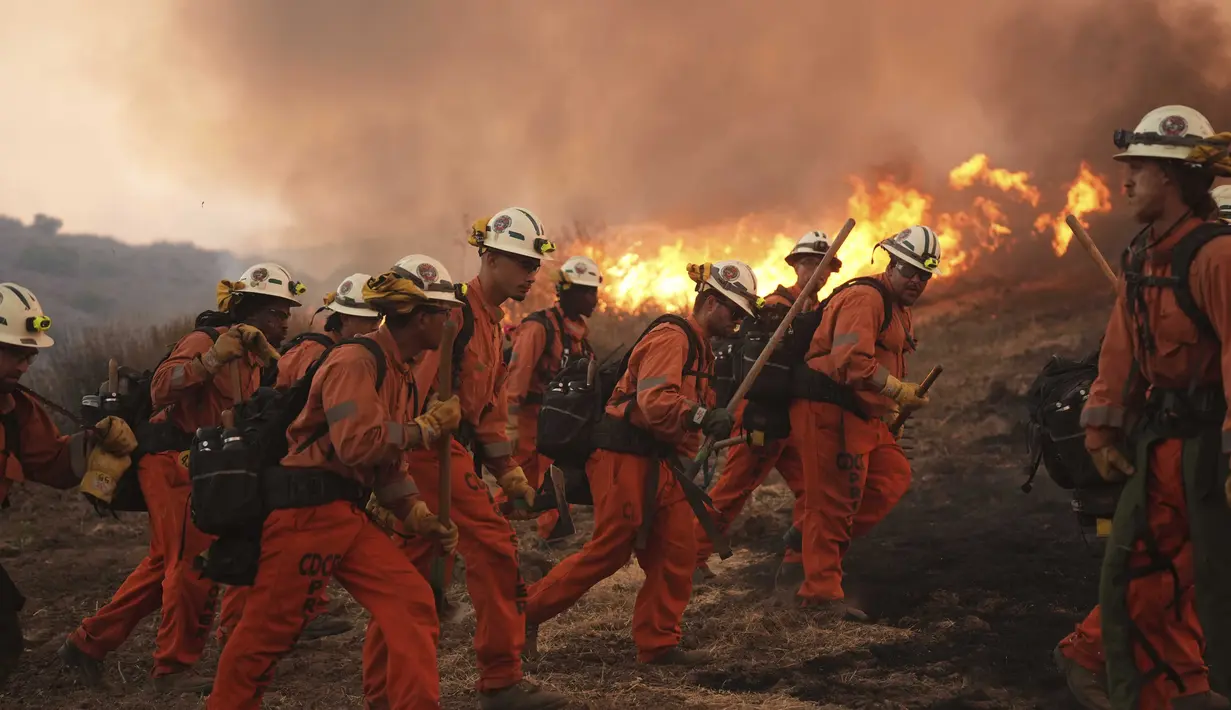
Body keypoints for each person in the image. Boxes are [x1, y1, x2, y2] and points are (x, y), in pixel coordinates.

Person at [207, 266, 461, 709]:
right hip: (307, 513)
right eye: (444, 313)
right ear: (420, 316)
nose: (450, 324)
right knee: (266, 636)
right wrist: (422, 430)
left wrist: (416, 514)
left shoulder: (398, 370)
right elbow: (358, 444)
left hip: (345, 514)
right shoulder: (353, 362)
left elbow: (385, 465)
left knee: (412, 601)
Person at [1054, 105, 1231, 710]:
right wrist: (1102, 427)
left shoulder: (1216, 258)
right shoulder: (1143, 257)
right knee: (1142, 568)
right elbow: (1121, 351)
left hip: (1211, 446)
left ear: (1174, 177)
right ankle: (1166, 689)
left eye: (1139, 168)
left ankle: (1182, 687)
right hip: (1158, 445)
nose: (1124, 181)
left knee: (1199, 578)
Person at [61, 263, 301, 693]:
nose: (283, 320)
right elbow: (160, 388)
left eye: (285, 312)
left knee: (164, 566)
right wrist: (209, 360)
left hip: (207, 463)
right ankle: (172, 670)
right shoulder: (205, 341)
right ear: (248, 310)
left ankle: (86, 644)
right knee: (193, 565)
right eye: (275, 312)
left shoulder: (255, 359)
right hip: (173, 460)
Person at [364, 214, 570, 710]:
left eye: (534, 266)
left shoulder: (494, 326)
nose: (530, 274)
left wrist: (511, 475)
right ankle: (501, 681)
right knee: (496, 551)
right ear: (489, 258)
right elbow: (407, 389)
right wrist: (392, 466)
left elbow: (489, 416)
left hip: (444, 453)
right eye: (520, 263)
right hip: (428, 453)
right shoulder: (453, 316)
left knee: (411, 572)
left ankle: (381, 693)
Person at [524, 260, 759, 666]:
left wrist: (702, 428)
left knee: (676, 551)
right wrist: (702, 417)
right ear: (709, 301)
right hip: (623, 455)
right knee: (609, 552)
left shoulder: (703, 352)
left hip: (659, 462)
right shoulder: (673, 337)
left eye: (742, 315)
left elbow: (683, 413)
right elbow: (654, 401)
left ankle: (658, 644)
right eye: (733, 311)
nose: (737, 321)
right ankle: (522, 615)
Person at [215, 273, 382, 647]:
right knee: (254, 547)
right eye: (368, 320)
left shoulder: (343, 356)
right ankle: (234, 632)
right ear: (344, 319)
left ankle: (298, 614)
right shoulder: (316, 352)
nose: (375, 328)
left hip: (282, 456)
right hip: (275, 458)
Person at [790, 226, 937, 621]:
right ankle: (820, 593)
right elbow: (850, 362)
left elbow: (882, 363)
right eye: (910, 271)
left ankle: (806, 540)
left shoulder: (898, 308)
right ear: (892, 264)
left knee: (892, 477)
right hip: (829, 410)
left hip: (863, 412)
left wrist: (888, 409)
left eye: (924, 275)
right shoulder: (864, 298)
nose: (917, 281)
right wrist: (897, 393)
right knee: (836, 502)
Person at [0, 283, 136, 687]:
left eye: (30, 355)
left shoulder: (15, 408)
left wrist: (94, 444)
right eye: (14, 353)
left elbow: (52, 464)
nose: (25, 365)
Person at [694, 231, 841, 587]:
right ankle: (688, 557)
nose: (817, 273)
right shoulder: (777, 305)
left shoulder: (817, 310)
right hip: (760, 414)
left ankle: (796, 559)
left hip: (790, 417)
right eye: (809, 264)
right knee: (733, 490)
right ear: (795, 266)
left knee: (812, 489)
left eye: (825, 267)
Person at [505, 255, 600, 542]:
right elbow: (517, 377)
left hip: (558, 421)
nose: (595, 300)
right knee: (515, 477)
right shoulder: (538, 327)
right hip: (528, 418)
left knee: (556, 477)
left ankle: (553, 537)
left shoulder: (580, 336)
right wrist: (508, 424)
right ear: (569, 292)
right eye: (589, 292)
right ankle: (489, 524)